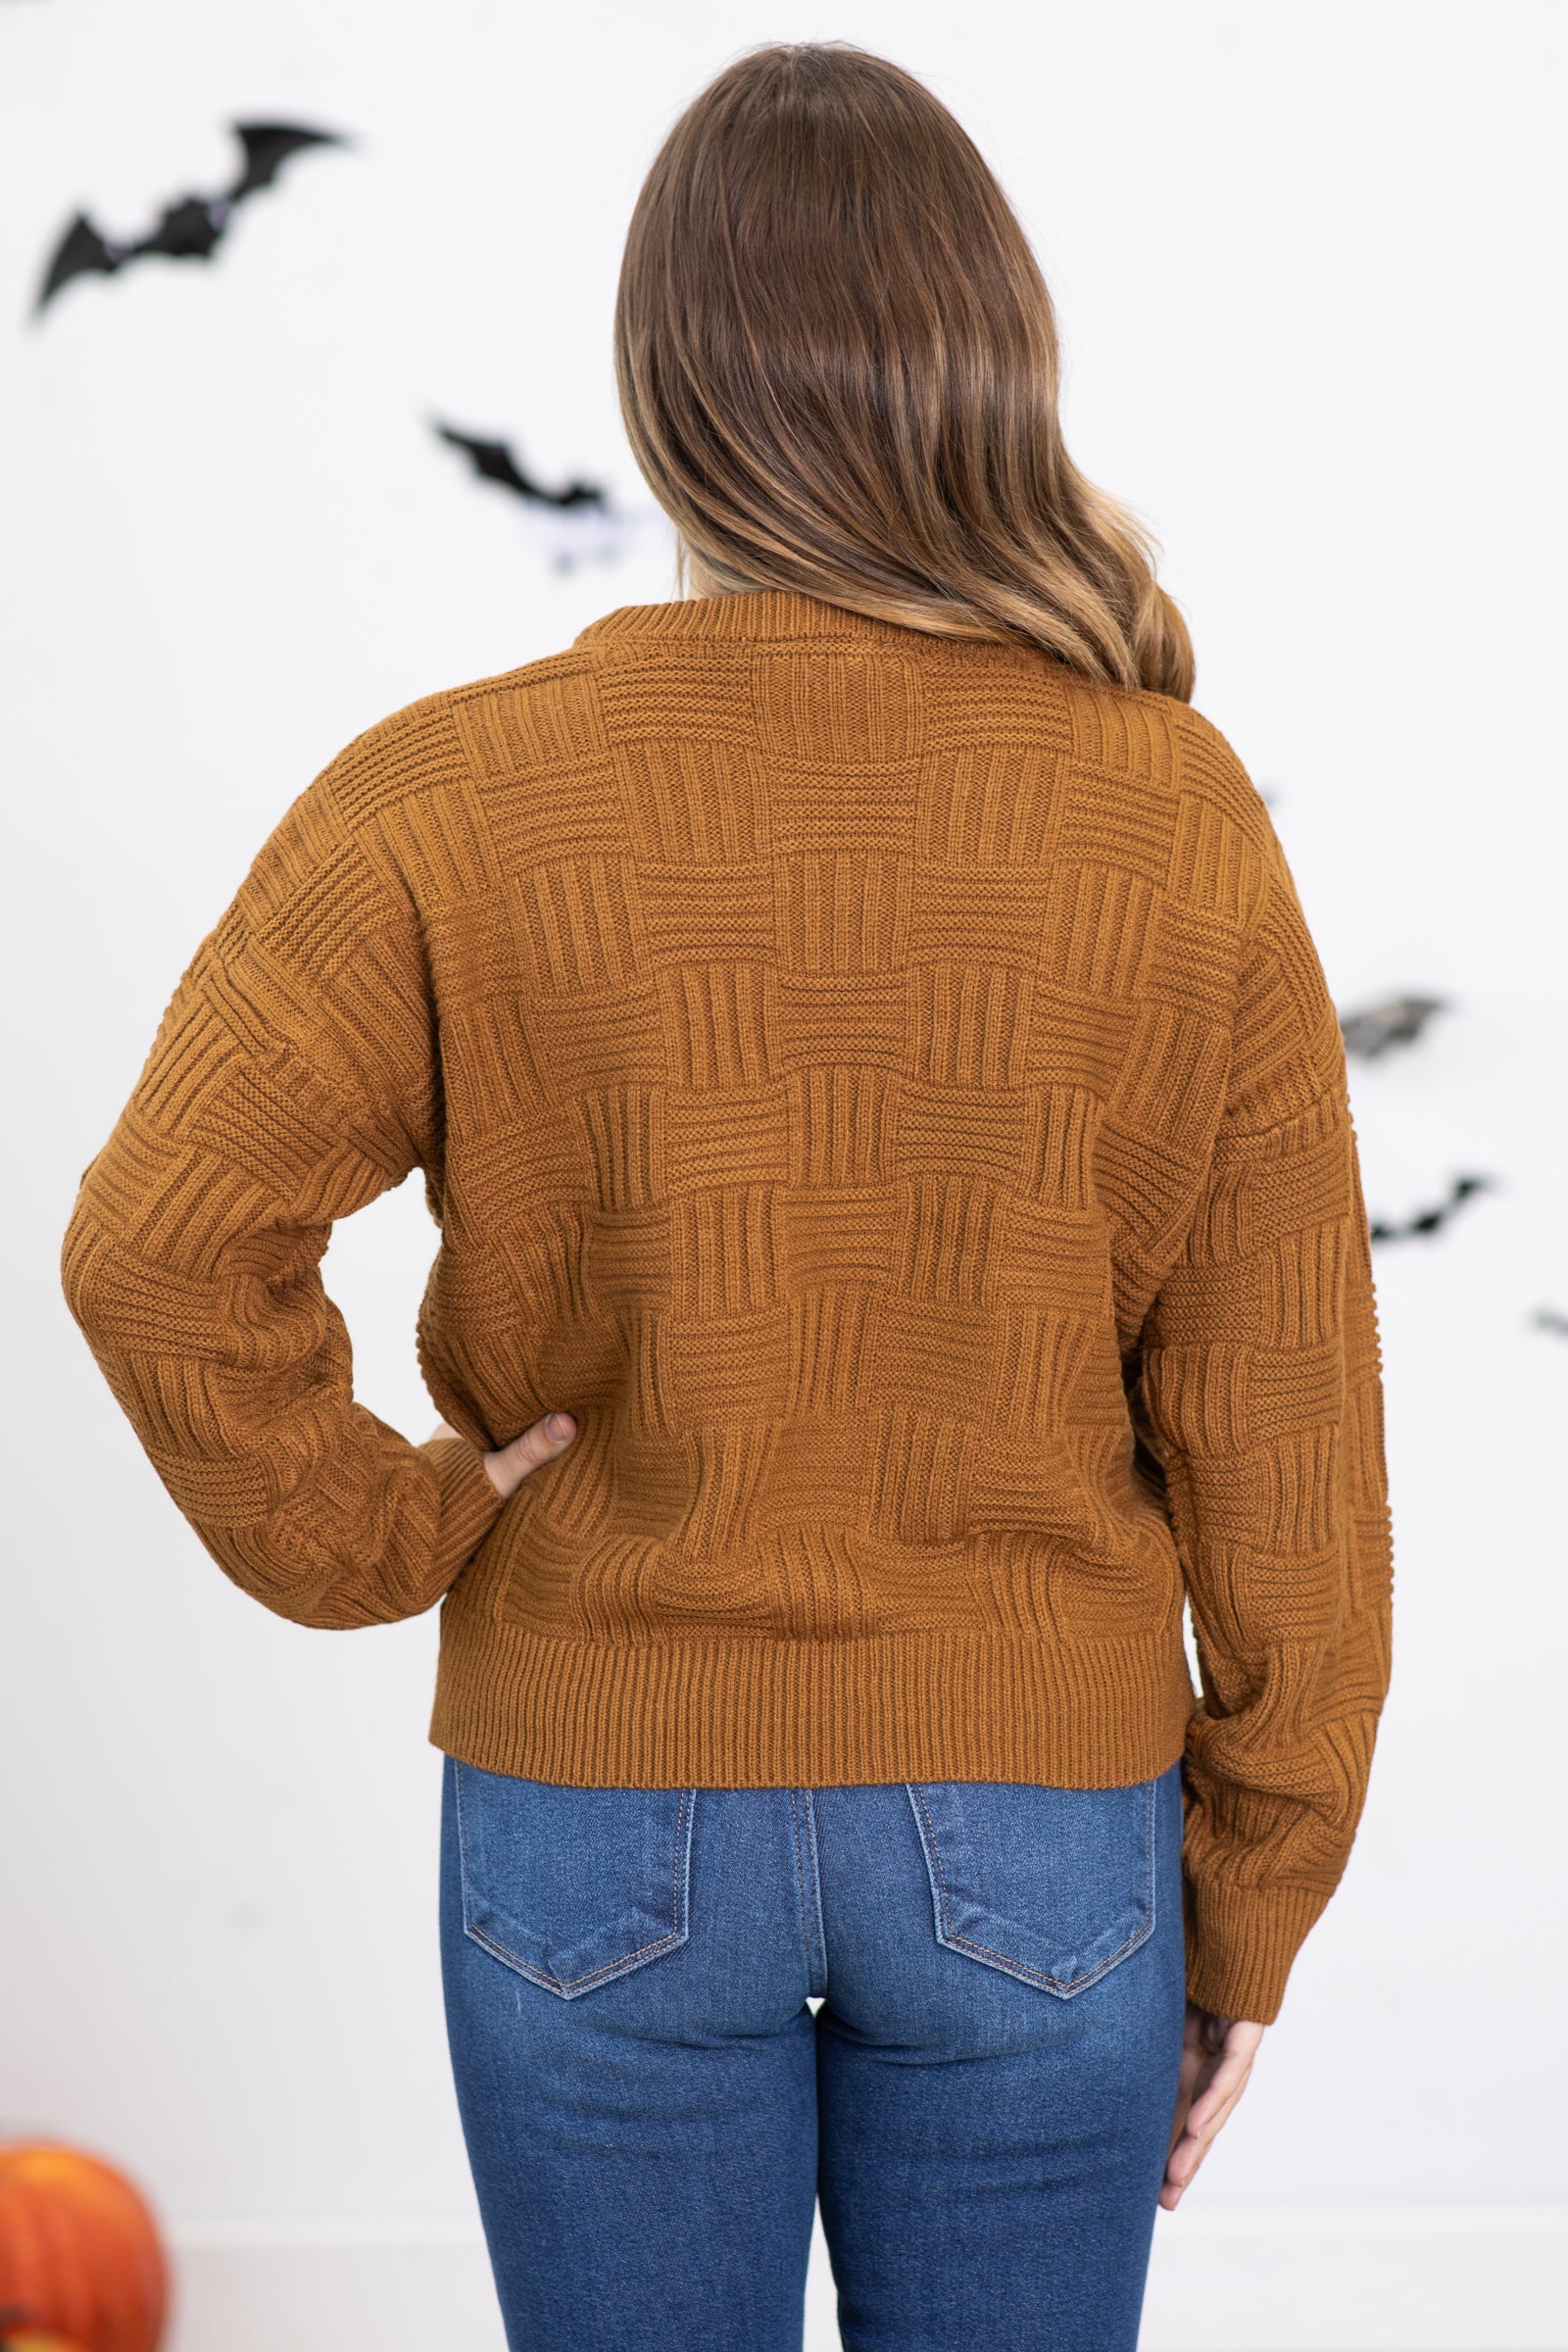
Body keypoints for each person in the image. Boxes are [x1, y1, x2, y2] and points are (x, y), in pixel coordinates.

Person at [60, 40, 1394, 2352]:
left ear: (660, 388)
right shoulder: (1172, 816)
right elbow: (1284, 1427)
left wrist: (395, 1526)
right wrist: (1252, 1893)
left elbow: (154, 1249)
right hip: (1038, 1840)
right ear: (985, 366)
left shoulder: (449, 798)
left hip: (592, 1813)